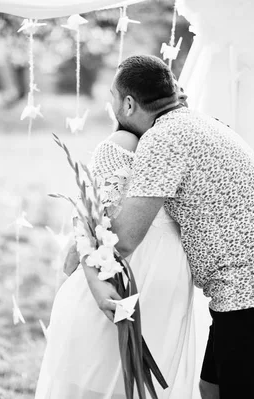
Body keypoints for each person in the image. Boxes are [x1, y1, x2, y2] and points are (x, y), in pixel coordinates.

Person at [82, 55, 254, 399]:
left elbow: (124, 240)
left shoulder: (163, 139)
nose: (110, 105)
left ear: (128, 103)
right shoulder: (194, 122)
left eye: (113, 96)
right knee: (211, 387)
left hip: (250, 291)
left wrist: (85, 256)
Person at [34, 82, 199, 397]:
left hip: (132, 263)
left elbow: (93, 213)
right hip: (163, 266)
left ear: (128, 103)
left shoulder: (125, 140)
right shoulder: (174, 141)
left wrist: (77, 266)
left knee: (98, 371)